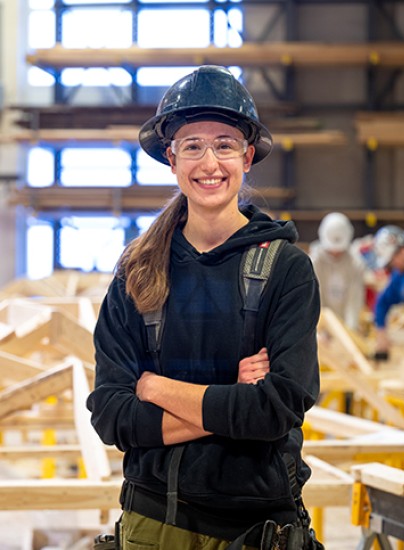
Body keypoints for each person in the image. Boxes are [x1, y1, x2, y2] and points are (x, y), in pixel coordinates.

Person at [87, 65, 322, 550]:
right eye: (192, 145)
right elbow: (112, 415)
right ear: (171, 159)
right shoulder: (136, 273)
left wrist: (154, 387)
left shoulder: (286, 270)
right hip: (152, 526)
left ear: (248, 156)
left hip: (256, 532)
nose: (209, 161)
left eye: (224, 144)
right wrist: (231, 398)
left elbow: (275, 410)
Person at [309, 212, 366, 331]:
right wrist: (321, 328)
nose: (335, 253)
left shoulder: (355, 263)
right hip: (321, 326)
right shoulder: (315, 262)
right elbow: (315, 300)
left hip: (345, 324)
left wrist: (350, 331)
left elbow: (354, 302)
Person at [373, 224, 404, 359]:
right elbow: (382, 303)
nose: (393, 266)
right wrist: (381, 332)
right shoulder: (400, 278)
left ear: (403, 250)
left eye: (392, 261)